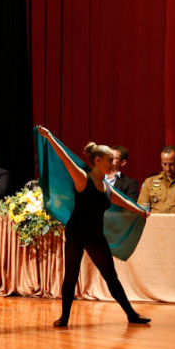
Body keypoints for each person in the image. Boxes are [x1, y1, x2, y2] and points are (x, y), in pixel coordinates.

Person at [38, 128, 151, 327]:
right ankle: (64, 318)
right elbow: (65, 158)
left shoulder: (106, 187)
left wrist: (141, 211)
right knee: (71, 276)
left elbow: (124, 202)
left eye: (114, 160)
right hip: (76, 233)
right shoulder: (82, 178)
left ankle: (131, 314)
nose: (113, 164)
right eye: (109, 160)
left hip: (95, 235)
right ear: (98, 160)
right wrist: (49, 137)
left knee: (111, 276)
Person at [136, 145, 175, 213]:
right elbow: (141, 211)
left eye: (171, 164)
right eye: (164, 164)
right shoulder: (150, 181)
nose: (168, 168)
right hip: (156, 219)